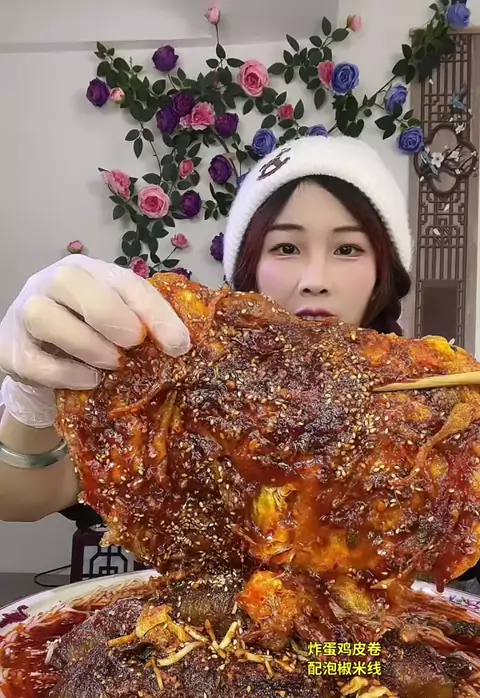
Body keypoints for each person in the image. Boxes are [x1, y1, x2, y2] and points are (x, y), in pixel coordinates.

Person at [0, 136, 478, 586]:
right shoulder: (177, 381)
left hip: (376, 642)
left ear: (382, 272)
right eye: (286, 247)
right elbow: (19, 499)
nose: (315, 278)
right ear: (249, 263)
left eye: (347, 249)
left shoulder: (434, 415)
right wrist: (31, 400)